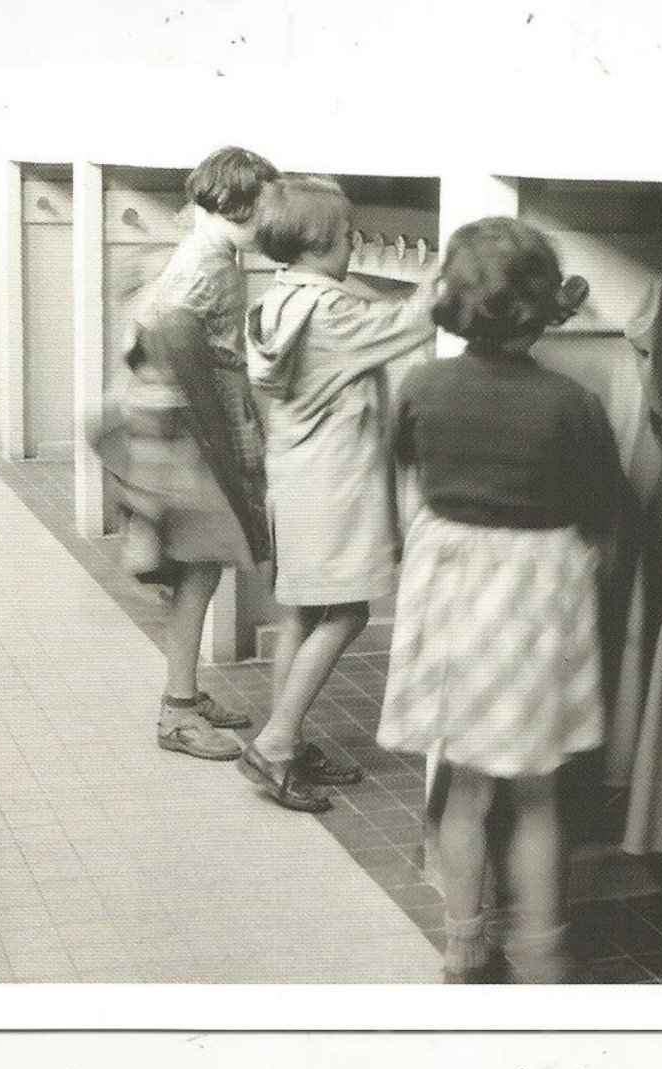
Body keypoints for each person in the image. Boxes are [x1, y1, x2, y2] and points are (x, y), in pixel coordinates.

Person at [376, 217, 621, 982]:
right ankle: (540, 950)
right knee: (541, 793)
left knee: (466, 788)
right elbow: (605, 518)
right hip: (534, 601)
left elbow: (406, 484)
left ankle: (463, 938)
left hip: (450, 592)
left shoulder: (421, 385)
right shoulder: (570, 403)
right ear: (546, 305)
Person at [241, 175, 437, 812]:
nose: (354, 242)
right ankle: (274, 745)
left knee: (301, 613)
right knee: (349, 612)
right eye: (348, 233)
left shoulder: (278, 303)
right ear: (321, 242)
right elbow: (412, 325)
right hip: (336, 487)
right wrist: (446, 274)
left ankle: (286, 739)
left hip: (296, 480)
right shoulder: (332, 313)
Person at [111, 146, 278, 762]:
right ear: (241, 204)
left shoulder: (202, 247)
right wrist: (223, 437)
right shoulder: (210, 262)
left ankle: (183, 694)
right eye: (268, 207)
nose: (274, 221)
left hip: (176, 423)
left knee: (198, 565)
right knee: (201, 562)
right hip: (193, 429)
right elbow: (174, 333)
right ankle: (177, 712)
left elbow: (143, 339)